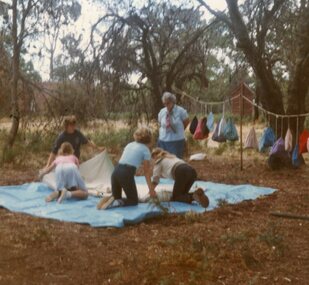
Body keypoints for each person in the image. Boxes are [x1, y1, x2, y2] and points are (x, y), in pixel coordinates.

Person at [97, 127, 155, 210]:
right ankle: (115, 201)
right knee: (133, 201)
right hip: (126, 173)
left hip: (116, 171)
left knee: (116, 197)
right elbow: (146, 172)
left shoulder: (130, 144)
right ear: (150, 139)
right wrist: (151, 189)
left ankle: (112, 200)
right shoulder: (145, 150)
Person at [157, 91, 190, 158]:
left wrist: (180, 130)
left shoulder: (181, 111)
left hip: (176, 140)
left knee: (176, 160)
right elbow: (160, 123)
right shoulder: (162, 112)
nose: (166, 105)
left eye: (168, 103)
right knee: (163, 159)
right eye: (164, 103)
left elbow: (186, 122)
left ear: (173, 101)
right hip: (163, 140)